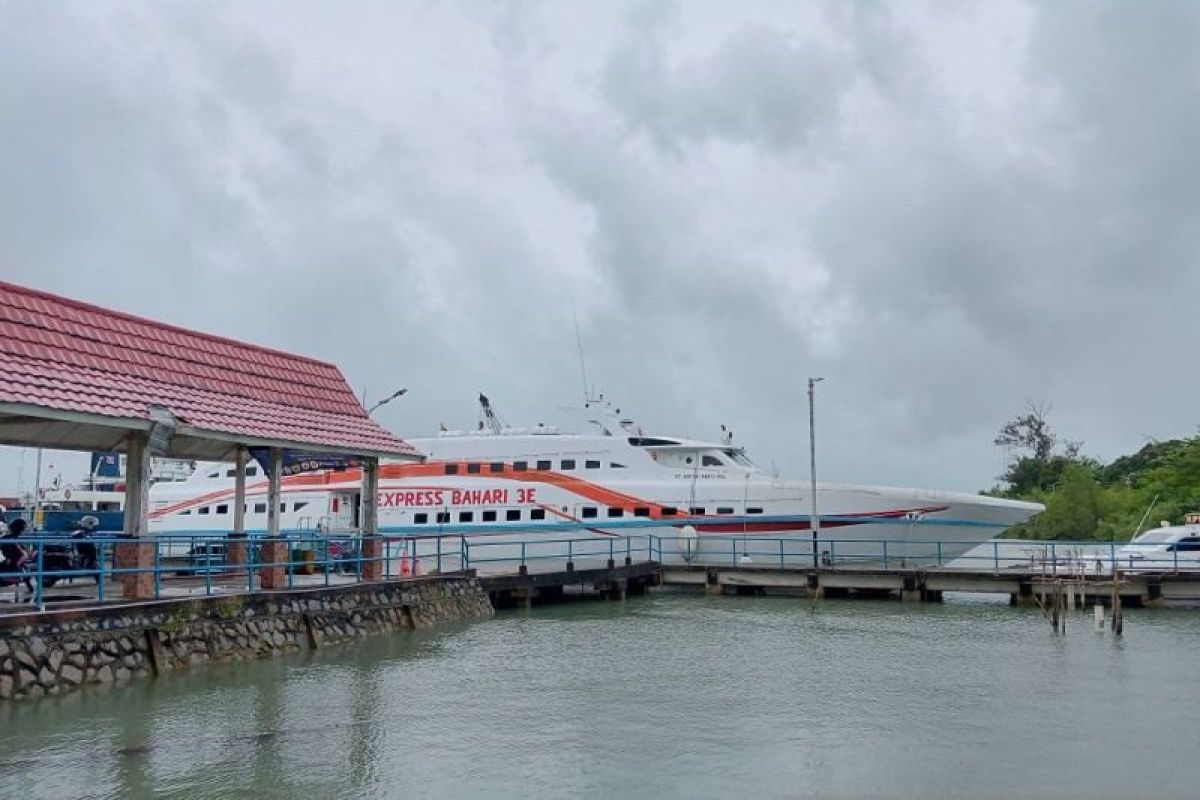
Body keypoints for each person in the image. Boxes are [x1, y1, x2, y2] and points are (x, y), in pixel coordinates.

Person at [0, 519, 34, 593]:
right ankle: (30, 588)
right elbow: (24, 553)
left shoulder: (7, 538)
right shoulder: (14, 539)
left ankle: (30, 587)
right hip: (12, 563)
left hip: (10, 563)